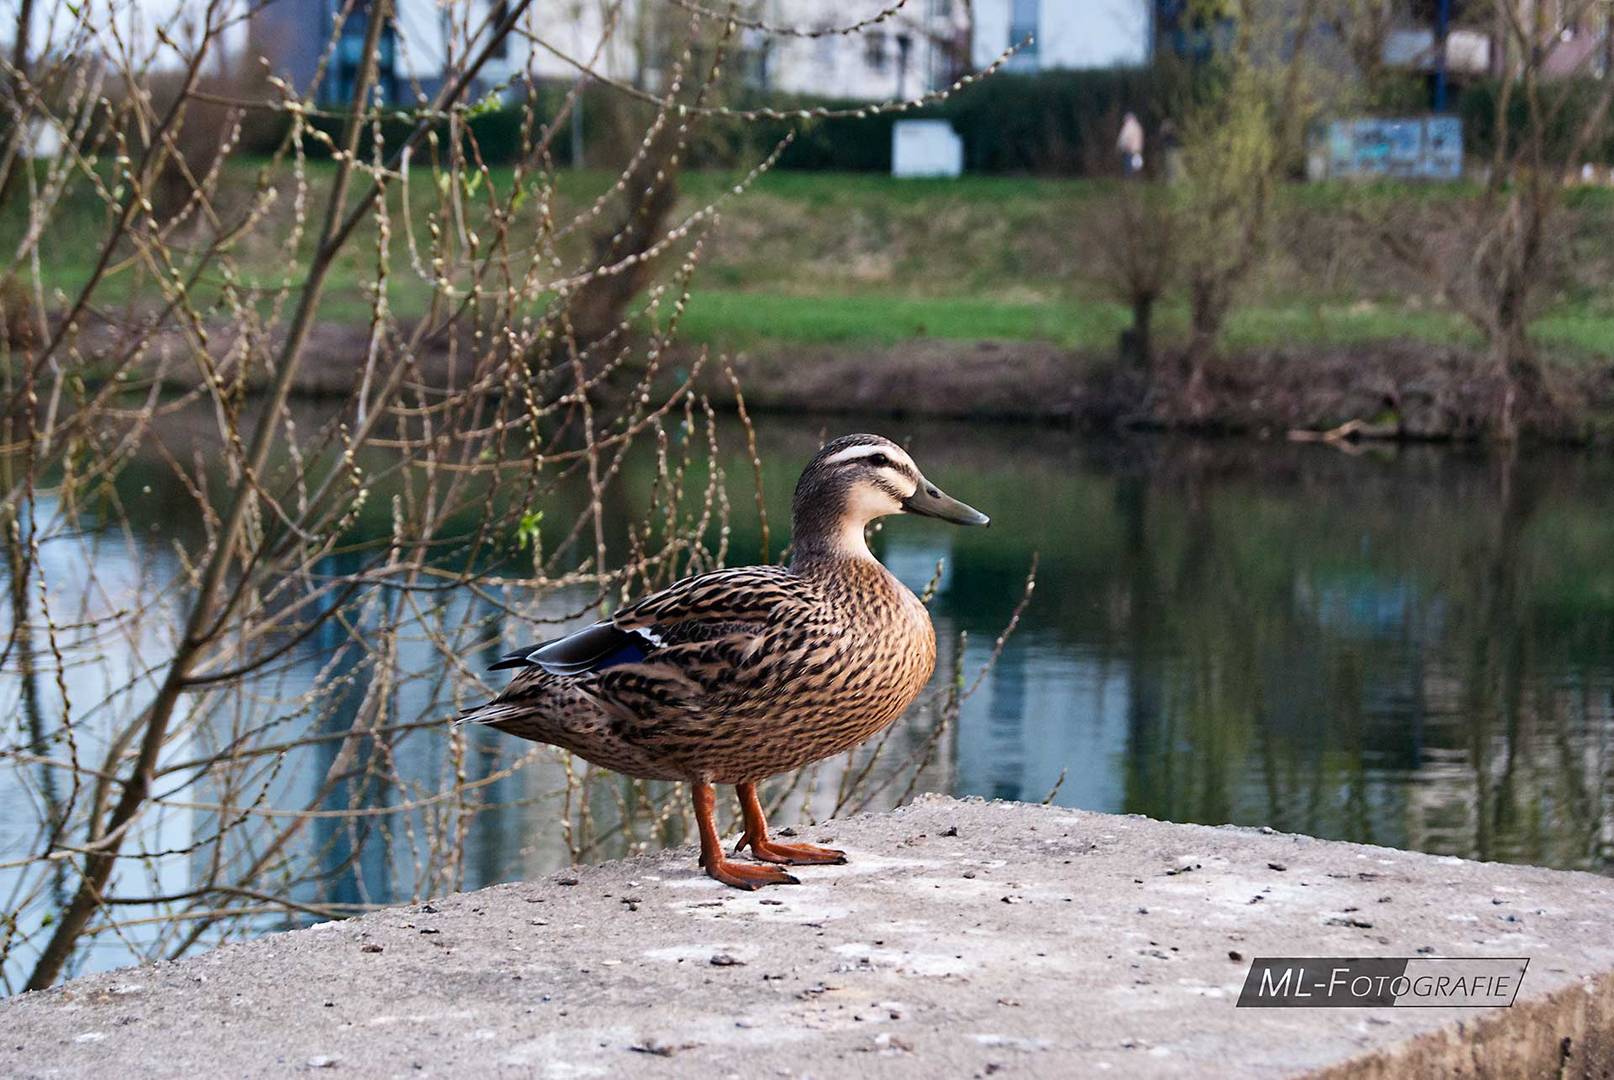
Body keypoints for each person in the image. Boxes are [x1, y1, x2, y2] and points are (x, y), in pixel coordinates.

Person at [1117, 111, 1144, 177]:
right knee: (1136, 165)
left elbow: (1126, 138)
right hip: (1137, 149)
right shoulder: (1138, 126)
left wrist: (1121, 146)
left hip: (1129, 149)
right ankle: (1135, 179)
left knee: (1128, 165)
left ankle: (1128, 179)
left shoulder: (1128, 126)